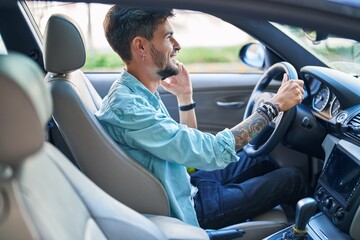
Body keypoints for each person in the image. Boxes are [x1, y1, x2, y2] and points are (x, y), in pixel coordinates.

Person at [96, 5, 309, 229]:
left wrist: (185, 98)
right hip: (192, 207)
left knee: (262, 159)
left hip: (189, 183)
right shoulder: (128, 109)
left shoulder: (134, 93)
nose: (177, 46)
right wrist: (273, 106)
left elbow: (187, 153)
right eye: (168, 37)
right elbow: (213, 151)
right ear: (141, 46)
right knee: (292, 179)